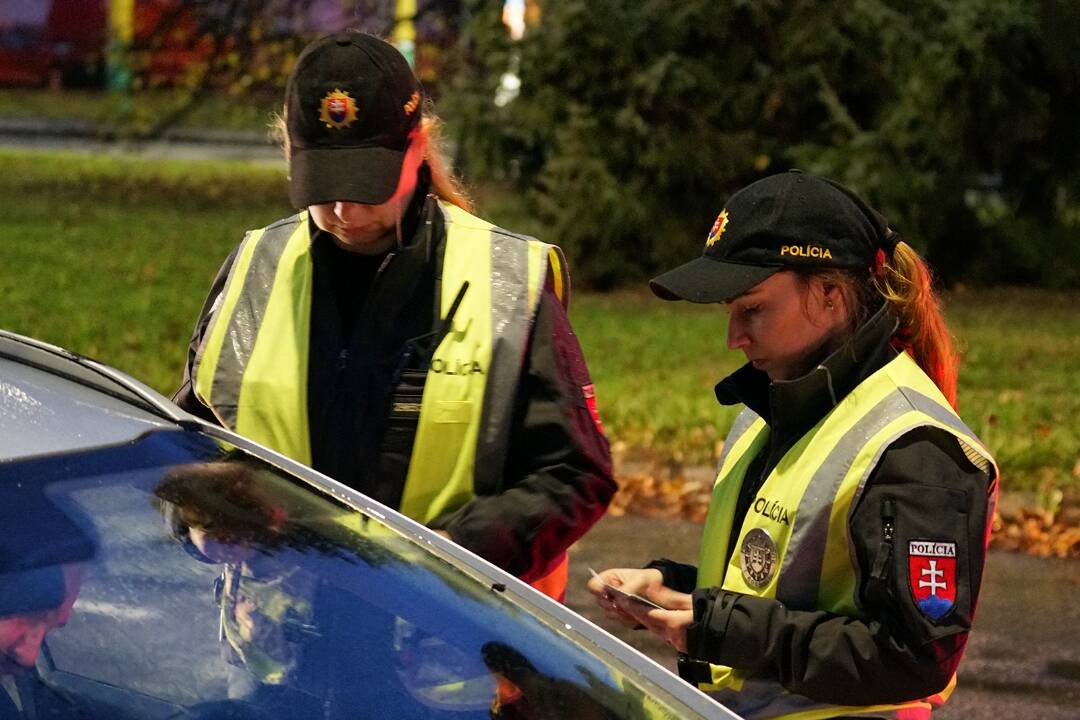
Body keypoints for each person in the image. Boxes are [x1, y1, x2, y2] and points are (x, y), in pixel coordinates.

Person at [173, 32, 615, 602]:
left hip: (440, 656)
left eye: (365, 184)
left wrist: (447, 557)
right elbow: (186, 448)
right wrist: (196, 518)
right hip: (279, 656)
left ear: (419, 144)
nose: (343, 210)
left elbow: (576, 475)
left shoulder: (506, 277)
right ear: (287, 149)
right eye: (322, 185)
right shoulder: (256, 267)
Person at [587, 170, 998, 719]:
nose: (733, 336)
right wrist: (674, 589)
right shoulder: (775, 404)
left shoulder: (918, 449)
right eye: (729, 311)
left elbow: (916, 657)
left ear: (829, 294)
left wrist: (722, 627)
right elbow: (780, 583)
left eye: (752, 308)